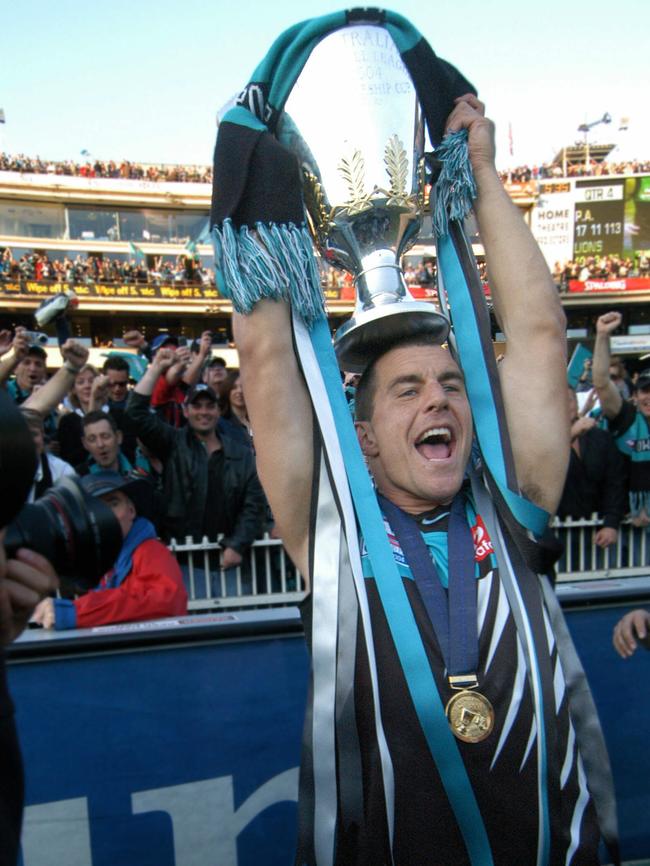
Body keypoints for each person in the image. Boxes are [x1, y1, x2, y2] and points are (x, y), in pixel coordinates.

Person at [232, 97, 603, 862]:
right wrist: (248, 182)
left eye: (450, 383)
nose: (437, 396)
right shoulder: (333, 539)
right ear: (362, 440)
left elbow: (535, 333)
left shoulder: (515, 505)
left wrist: (486, 176)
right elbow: (269, 363)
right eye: (407, 390)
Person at [126, 357, 268, 569]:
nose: (203, 412)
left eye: (209, 406)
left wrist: (237, 545)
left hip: (229, 562)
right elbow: (135, 414)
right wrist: (156, 368)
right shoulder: (173, 443)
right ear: (186, 411)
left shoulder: (241, 454)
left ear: (218, 411)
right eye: (197, 406)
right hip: (183, 560)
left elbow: (254, 504)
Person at [32, 472, 186, 630]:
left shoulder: (150, 550)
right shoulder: (100, 560)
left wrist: (74, 612)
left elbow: (166, 601)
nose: (107, 515)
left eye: (113, 503)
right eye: (98, 507)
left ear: (131, 510)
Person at [556, 387, 627, 569]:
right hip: (556, 534)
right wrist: (571, 435)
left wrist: (611, 523)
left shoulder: (600, 438)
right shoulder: (541, 441)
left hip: (598, 532)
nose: (564, 404)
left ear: (576, 403)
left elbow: (615, 483)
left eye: (569, 399)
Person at [592, 311, 650, 527]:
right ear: (635, 396)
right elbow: (601, 382)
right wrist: (602, 335)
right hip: (624, 525)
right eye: (645, 391)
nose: (649, 397)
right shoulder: (626, 417)